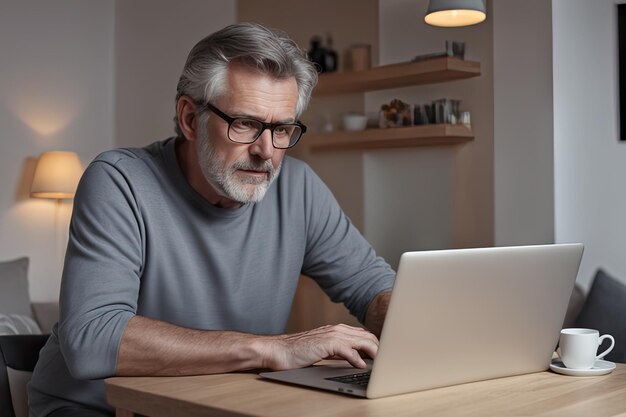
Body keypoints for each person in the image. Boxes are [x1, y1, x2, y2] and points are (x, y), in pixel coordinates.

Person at [28, 22, 395, 417]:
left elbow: (374, 288)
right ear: (189, 118)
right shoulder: (119, 181)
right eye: (246, 124)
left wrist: (407, 320)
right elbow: (92, 340)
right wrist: (274, 348)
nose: (266, 151)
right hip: (93, 408)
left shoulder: (299, 188)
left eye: (282, 129)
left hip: (215, 406)